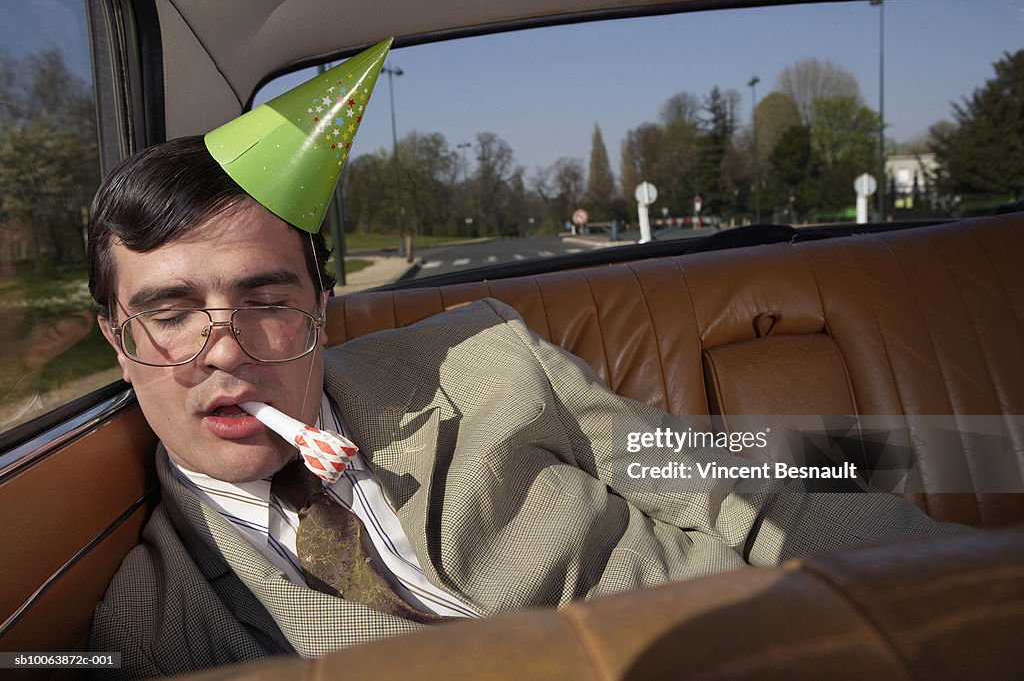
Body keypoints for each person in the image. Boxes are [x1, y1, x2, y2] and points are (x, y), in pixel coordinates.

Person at [87, 43, 964, 680]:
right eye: (169, 315)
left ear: (321, 308)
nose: (225, 351)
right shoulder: (147, 626)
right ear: (120, 343)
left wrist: (949, 595)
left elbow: (740, 481)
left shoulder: (485, 357)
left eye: (267, 302)